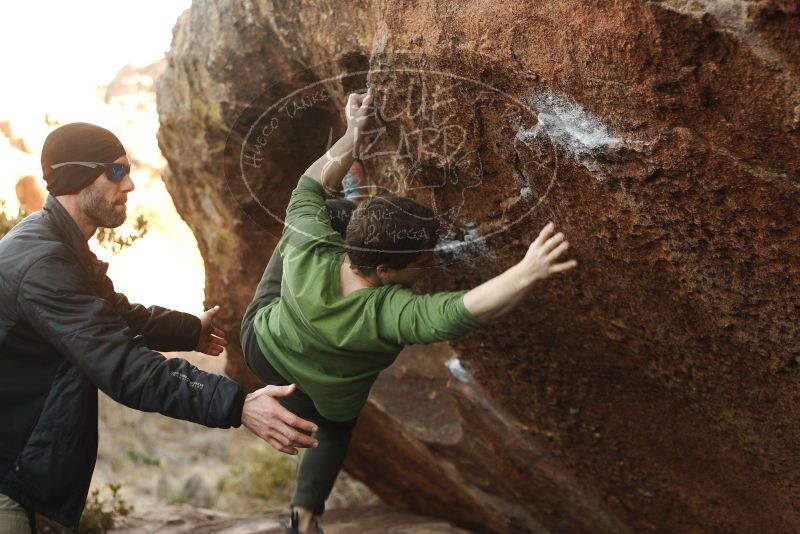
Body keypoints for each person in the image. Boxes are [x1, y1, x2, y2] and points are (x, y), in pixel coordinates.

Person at [241, 91, 578, 534]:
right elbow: (461, 310)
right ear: (383, 271)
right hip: (325, 392)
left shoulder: (313, 242)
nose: (431, 264)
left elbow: (309, 184)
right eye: (421, 262)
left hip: (263, 347)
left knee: (312, 216)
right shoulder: (388, 312)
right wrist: (528, 271)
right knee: (334, 429)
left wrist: (353, 132)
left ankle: (357, 209)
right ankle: (304, 516)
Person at [0, 122, 320, 533]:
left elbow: (118, 315)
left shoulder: (57, 246)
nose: (130, 184)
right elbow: (125, 366)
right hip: (8, 479)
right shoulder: (44, 264)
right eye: (115, 171)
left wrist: (190, 330)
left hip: (19, 468)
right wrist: (237, 404)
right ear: (77, 177)